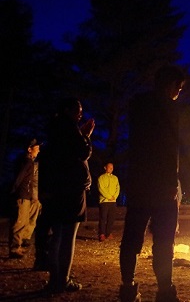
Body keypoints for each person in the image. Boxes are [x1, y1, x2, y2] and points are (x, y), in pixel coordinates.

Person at [119, 65, 185, 302]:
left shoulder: (138, 105)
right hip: (160, 186)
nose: (179, 92)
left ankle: (127, 287)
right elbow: (169, 149)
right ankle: (165, 291)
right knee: (164, 241)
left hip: (137, 183)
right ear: (169, 85)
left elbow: (136, 145)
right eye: (178, 87)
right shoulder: (168, 108)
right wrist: (170, 183)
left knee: (131, 238)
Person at [38, 97, 94, 293]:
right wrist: (85, 135)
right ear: (68, 110)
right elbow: (83, 152)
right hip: (70, 190)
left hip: (56, 189)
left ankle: (55, 279)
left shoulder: (53, 129)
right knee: (68, 235)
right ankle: (62, 280)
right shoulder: (69, 129)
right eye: (78, 110)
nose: (81, 113)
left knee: (57, 234)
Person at [9, 139, 42, 259]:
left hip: (26, 195)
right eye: (36, 148)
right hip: (22, 195)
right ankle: (14, 248)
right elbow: (19, 178)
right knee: (19, 222)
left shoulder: (29, 162)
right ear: (29, 149)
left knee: (23, 222)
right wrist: (14, 191)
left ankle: (17, 246)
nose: (38, 150)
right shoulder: (27, 162)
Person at [97, 162, 120, 242]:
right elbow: (101, 189)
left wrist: (114, 197)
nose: (111, 169)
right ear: (105, 167)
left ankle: (108, 233)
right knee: (103, 218)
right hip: (104, 201)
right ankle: (102, 234)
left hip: (113, 201)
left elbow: (118, 188)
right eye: (109, 167)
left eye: (112, 167)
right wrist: (109, 197)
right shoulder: (101, 178)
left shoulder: (115, 178)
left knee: (111, 218)